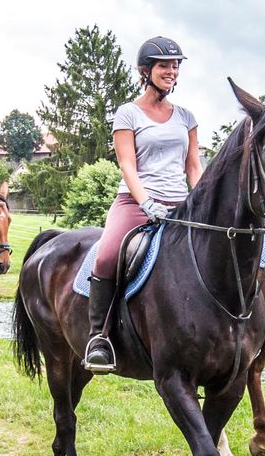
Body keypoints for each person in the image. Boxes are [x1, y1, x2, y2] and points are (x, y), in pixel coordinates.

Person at [83, 36, 201, 372]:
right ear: (145, 70)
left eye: (176, 65)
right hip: (135, 202)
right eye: (164, 65)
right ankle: (99, 337)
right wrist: (146, 201)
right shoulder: (128, 113)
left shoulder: (186, 117)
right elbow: (127, 165)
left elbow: (192, 166)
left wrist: (199, 199)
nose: (171, 71)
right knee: (107, 255)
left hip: (179, 204)